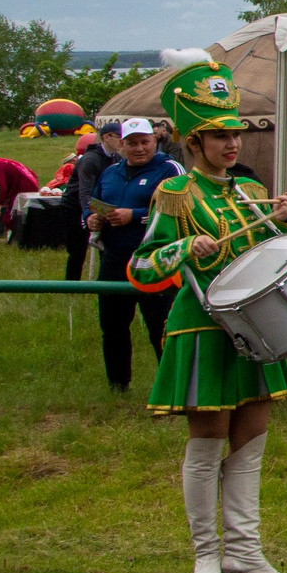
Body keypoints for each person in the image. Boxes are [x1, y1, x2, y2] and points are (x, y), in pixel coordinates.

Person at [131, 51, 287, 573]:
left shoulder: (250, 194)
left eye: (236, 135)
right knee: (207, 443)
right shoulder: (175, 195)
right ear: (193, 142)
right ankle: (206, 554)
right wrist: (182, 246)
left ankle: (245, 551)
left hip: (254, 329)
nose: (231, 144)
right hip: (202, 328)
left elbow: (267, 262)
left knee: (250, 440)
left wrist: (278, 225)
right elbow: (140, 264)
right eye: (217, 135)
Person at [92, 118, 179, 391]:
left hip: (154, 258)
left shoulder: (169, 170)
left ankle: (172, 387)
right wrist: (92, 218)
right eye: (132, 143)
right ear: (121, 144)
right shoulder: (110, 173)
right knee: (113, 325)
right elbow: (93, 202)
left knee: (159, 325)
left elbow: (178, 209)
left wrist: (135, 216)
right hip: (114, 257)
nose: (139, 148)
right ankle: (117, 386)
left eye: (145, 142)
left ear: (155, 141)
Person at [63, 123, 118, 281]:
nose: (122, 141)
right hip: (74, 207)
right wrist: (91, 214)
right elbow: (84, 192)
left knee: (107, 248)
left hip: (99, 206)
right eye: (119, 137)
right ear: (106, 137)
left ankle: (105, 285)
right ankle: (71, 287)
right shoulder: (90, 159)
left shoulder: (116, 158)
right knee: (77, 251)